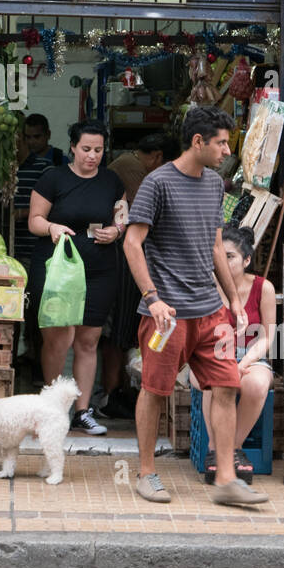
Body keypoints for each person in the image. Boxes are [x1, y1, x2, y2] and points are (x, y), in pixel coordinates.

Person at [124, 105, 268, 506]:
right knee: (155, 390)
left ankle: (225, 479)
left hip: (210, 312)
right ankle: (147, 473)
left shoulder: (214, 185)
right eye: (221, 142)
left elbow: (214, 245)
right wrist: (152, 298)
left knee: (227, 385)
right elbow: (132, 243)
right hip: (166, 317)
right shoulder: (158, 183)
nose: (227, 150)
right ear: (198, 141)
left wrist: (235, 300)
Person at [27, 119, 126, 436]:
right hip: (59, 267)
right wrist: (52, 227)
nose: (92, 156)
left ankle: (83, 411)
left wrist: (117, 230)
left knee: (88, 340)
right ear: (72, 147)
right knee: (59, 338)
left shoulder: (112, 181)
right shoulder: (53, 178)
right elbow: (34, 221)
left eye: (98, 150)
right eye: (86, 149)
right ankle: (53, 407)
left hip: (99, 267)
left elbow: (122, 215)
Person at [97, 133, 176, 420]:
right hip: (125, 258)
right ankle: (110, 395)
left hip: (130, 257)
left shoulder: (135, 165)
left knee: (122, 331)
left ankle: (115, 392)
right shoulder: (133, 167)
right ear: (156, 157)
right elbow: (146, 215)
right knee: (118, 332)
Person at [198, 223, 276, 485]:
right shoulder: (207, 285)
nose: (222, 261)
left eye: (229, 256)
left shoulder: (263, 288)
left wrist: (244, 362)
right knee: (214, 381)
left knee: (255, 384)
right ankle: (214, 449)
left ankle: (231, 449)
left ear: (247, 260)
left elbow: (267, 336)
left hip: (251, 356)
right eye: (218, 256)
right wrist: (228, 362)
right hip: (211, 355)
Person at [14, 114, 65, 382]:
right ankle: (28, 355)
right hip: (18, 247)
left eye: (36, 137)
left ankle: (37, 362)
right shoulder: (17, 167)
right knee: (21, 307)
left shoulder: (52, 165)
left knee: (37, 309)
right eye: (27, 137)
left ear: (46, 134)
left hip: (40, 248)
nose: (32, 142)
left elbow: (56, 208)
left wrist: (23, 215)